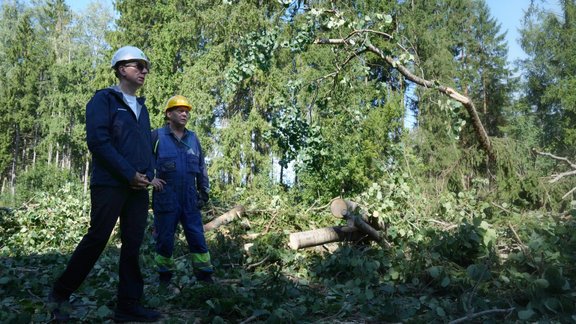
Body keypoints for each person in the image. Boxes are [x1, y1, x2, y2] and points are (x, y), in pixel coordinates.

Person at [48, 46, 161, 323]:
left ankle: (128, 305)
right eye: (139, 66)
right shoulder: (104, 100)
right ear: (122, 69)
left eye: (146, 67)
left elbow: (144, 146)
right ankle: (59, 295)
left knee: (133, 244)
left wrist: (148, 174)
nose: (145, 71)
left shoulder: (142, 108)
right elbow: (98, 142)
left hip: (137, 188)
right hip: (110, 184)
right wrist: (127, 174)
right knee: (98, 238)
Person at [150, 94, 214, 286]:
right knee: (165, 239)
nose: (185, 114)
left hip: (189, 198)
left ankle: (205, 277)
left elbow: (201, 166)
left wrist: (204, 191)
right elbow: (143, 159)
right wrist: (149, 178)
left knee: (197, 237)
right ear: (169, 114)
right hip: (166, 197)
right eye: (180, 111)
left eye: (187, 111)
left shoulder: (193, 138)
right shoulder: (157, 136)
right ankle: (164, 279)